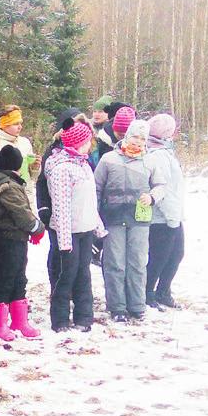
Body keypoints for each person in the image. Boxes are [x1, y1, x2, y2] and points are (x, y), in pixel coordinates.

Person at [94, 119, 167, 322]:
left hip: (140, 219)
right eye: (135, 137)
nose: (138, 142)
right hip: (113, 218)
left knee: (137, 262)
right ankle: (117, 307)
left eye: (142, 139)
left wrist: (152, 196)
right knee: (115, 262)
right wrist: (96, 215)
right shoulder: (109, 159)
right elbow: (97, 188)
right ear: (127, 136)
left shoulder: (150, 161)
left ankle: (137, 305)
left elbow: (161, 186)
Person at [44, 119, 105, 332]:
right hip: (68, 231)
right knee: (66, 275)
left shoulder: (84, 165)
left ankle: (84, 317)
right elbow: (60, 206)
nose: (90, 145)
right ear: (78, 143)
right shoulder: (61, 168)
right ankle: (60, 320)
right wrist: (64, 240)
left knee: (84, 274)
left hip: (86, 228)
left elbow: (89, 201)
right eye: (87, 141)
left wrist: (98, 227)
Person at [0, 145, 45, 341]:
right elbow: (21, 213)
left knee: (19, 278)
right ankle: (0, 324)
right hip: (6, 240)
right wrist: (37, 227)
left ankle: (20, 320)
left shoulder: (7, 181)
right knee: (5, 279)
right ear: (17, 165)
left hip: (16, 240)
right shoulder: (8, 186)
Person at [35, 107, 85, 287]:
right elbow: (41, 182)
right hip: (55, 211)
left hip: (78, 213)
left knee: (76, 256)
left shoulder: (83, 153)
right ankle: (56, 285)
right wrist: (44, 208)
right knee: (57, 251)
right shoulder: (54, 150)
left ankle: (73, 287)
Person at [144, 114, 185, 310]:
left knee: (176, 254)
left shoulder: (164, 152)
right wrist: (171, 219)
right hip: (162, 219)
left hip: (173, 216)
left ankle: (163, 291)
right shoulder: (156, 155)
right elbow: (163, 190)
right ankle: (148, 292)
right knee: (158, 257)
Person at [0, 104, 40, 202]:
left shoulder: (25, 142)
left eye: (20, 123)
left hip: (28, 194)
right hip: (9, 195)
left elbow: (32, 176)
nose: (20, 127)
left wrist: (35, 167)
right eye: (15, 124)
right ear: (4, 124)